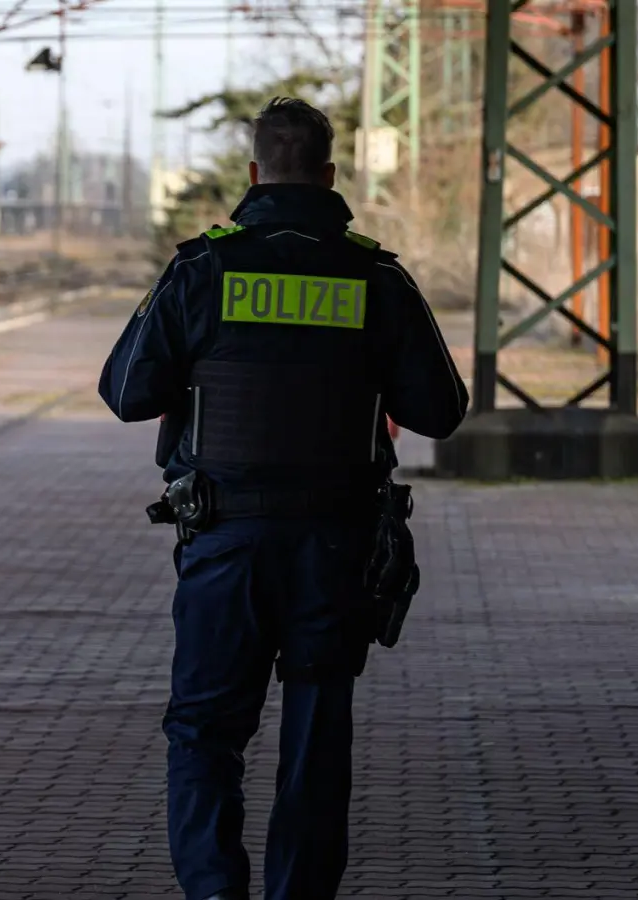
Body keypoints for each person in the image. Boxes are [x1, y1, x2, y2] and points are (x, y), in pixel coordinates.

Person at [98, 97, 469, 900]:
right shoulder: (376, 276)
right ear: (331, 176)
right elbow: (442, 409)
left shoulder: (201, 269)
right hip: (332, 552)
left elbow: (126, 391)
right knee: (315, 738)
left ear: (255, 174)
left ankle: (215, 892)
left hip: (223, 543)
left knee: (203, 734)